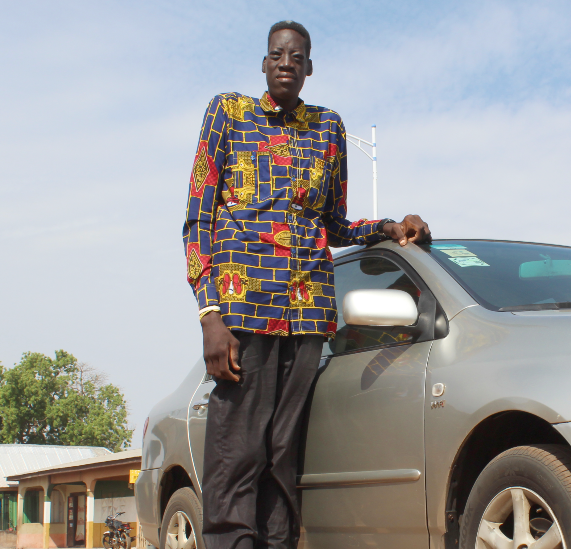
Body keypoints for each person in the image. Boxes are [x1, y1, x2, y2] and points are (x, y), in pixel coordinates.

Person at [181, 20, 430, 549]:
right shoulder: (228, 113)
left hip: (307, 313)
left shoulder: (328, 128)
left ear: (309, 67)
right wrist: (209, 314)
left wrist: (388, 227)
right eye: (277, 55)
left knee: (281, 455)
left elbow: (334, 224)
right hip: (243, 308)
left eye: (296, 57)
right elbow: (198, 218)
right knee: (237, 452)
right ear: (264, 63)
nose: (286, 64)